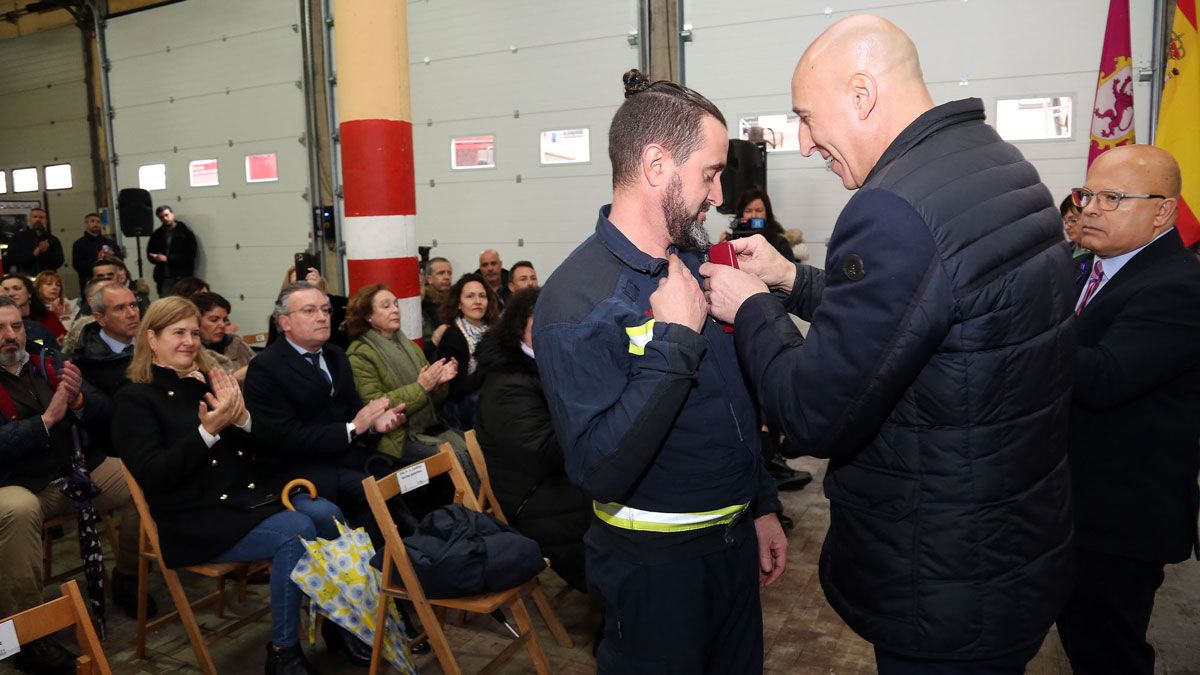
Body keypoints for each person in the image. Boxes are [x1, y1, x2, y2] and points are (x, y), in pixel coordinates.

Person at [701, 16, 1073, 673]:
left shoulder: (892, 209)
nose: (808, 143)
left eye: (807, 118)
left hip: (941, 581)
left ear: (863, 94)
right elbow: (917, 316)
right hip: (1009, 551)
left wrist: (751, 305)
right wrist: (789, 281)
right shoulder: (996, 164)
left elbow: (813, 411)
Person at [533, 68, 784, 674]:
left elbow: (732, 403)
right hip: (654, 571)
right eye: (709, 173)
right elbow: (599, 467)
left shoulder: (694, 265)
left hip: (731, 547)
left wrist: (761, 503)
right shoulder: (576, 301)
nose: (718, 195)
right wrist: (673, 339)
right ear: (655, 165)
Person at [112, 296, 342, 675]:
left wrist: (243, 417)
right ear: (151, 339)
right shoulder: (134, 398)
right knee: (296, 531)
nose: (189, 341)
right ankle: (283, 652)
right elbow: (155, 474)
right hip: (194, 518)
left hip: (242, 500)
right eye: (178, 333)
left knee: (328, 513)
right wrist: (208, 431)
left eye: (193, 333)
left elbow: (262, 446)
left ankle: (336, 621)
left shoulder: (203, 382)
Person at [1055, 145, 1200, 675]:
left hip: (1118, 520)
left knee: (1108, 653)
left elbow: (1104, 377)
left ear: (1163, 210)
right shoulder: (1084, 270)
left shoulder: (1180, 285)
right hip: (1068, 506)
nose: (1090, 208)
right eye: (1087, 194)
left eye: (1112, 198)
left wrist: (1017, 330)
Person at [0, 295, 154, 673]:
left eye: (16, 326)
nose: (10, 336)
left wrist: (81, 398)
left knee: (142, 476)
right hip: (14, 483)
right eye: (0, 329)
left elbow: (105, 410)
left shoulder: (44, 360)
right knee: (17, 511)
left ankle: (129, 575)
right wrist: (45, 422)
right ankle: (29, 635)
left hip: (72, 470)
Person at [475, 287, 590, 593]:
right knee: (617, 535)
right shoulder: (508, 384)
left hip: (556, 483)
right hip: (535, 497)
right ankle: (620, 621)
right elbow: (544, 453)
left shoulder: (543, 362)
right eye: (540, 320)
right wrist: (589, 417)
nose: (550, 327)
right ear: (518, 326)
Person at [345, 284, 464, 467]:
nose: (395, 310)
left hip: (428, 427)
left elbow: (433, 401)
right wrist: (421, 387)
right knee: (453, 456)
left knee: (475, 444)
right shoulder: (360, 355)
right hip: (395, 438)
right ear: (368, 316)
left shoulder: (410, 346)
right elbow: (376, 408)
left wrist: (440, 384)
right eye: (386, 306)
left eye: (396, 304)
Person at [436, 273, 498, 431]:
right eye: (470, 296)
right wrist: (489, 368)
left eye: (482, 296)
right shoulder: (453, 336)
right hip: (464, 412)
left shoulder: (494, 330)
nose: (477, 301)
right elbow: (455, 391)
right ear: (458, 303)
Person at [266, 266, 349, 350]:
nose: (322, 317)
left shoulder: (338, 306)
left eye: (324, 310)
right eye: (297, 284)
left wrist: (319, 292)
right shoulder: (279, 316)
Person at [194, 291, 255, 383]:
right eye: (214, 320)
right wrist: (235, 377)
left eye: (225, 320)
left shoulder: (237, 344)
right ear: (196, 321)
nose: (222, 325)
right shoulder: (191, 353)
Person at [146, 206, 198, 297]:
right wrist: (155, 258)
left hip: (181, 277)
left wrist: (168, 259)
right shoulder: (157, 234)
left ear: (172, 214)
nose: (165, 218)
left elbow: (190, 255)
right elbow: (150, 253)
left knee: (183, 303)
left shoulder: (184, 233)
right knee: (166, 306)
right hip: (164, 278)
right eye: (162, 217)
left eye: (167, 215)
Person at [734, 187, 795, 262]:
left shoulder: (780, 242)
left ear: (767, 213)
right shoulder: (734, 240)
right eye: (748, 211)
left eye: (759, 210)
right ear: (741, 214)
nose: (754, 216)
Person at [2, 273, 67, 339]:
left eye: (17, 288)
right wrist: (47, 346)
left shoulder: (48, 317)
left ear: (29, 293)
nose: (10, 294)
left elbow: (65, 341)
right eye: (6, 290)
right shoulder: (2, 323)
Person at [70, 212, 122, 294]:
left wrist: (112, 257)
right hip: (89, 282)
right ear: (86, 224)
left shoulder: (110, 242)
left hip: (111, 281)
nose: (95, 224)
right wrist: (97, 259)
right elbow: (77, 265)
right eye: (92, 221)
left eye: (98, 222)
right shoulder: (79, 244)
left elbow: (120, 259)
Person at [4, 207, 65, 276]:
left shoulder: (53, 239)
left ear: (46, 221)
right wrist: (34, 254)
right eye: (35, 217)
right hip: (25, 277)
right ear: (29, 220)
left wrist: (45, 253)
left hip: (46, 279)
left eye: (41, 217)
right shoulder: (18, 238)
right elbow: (11, 259)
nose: (38, 219)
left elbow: (59, 262)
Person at [421, 256, 453, 358]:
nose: (447, 277)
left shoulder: (456, 298)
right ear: (429, 279)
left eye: (449, 273)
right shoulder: (424, 302)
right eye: (441, 273)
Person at [1062, 194, 1094, 287]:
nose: (1066, 227)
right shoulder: (1064, 250)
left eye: (1072, 220)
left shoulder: (1098, 258)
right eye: (1065, 221)